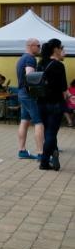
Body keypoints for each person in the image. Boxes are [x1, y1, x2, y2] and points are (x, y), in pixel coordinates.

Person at [37, 39, 72, 170]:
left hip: (41, 103)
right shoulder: (58, 65)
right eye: (61, 47)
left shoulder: (40, 63)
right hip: (55, 104)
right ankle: (44, 162)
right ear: (56, 49)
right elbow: (64, 89)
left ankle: (54, 152)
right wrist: (70, 97)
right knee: (51, 133)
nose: (63, 50)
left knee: (48, 132)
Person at [16, 38, 44, 159]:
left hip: (21, 92)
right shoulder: (30, 58)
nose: (40, 48)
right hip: (29, 94)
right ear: (31, 45)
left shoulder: (22, 58)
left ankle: (22, 150)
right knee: (38, 121)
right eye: (38, 45)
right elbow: (30, 77)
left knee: (24, 120)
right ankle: (41, 153)